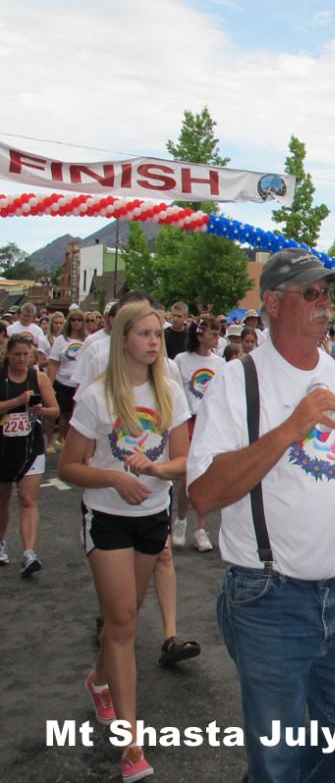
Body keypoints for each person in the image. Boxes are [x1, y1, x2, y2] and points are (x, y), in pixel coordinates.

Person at [187, 248, 335, 783]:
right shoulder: (238, 381)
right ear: (272, 302)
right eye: (311, 293)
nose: (326, 305)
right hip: (269, 594)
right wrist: (287, 430)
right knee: (276, 755)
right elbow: (203, 494)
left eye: (328, 293)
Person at [59, 302, 190, 782]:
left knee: (126, 618)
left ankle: (99, 681)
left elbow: (185, 460)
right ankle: (131, 745)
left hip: (152, 516)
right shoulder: (97, 396)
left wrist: (157, 470)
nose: (154, 342)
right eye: (144, 334)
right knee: (120, 621)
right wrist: (114, 480)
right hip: (108, 517)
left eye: (158, 334)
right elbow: (68, 467)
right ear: (122, 340)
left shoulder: (172, 392)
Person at [0, 334, 59, 574]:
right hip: (3, 447)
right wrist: (17, 401)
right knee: (3, 501)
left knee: (27, 499)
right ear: (8, 355)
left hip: (31, 446)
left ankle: (28, 552)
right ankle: (1, 543)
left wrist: (41, 410)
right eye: (17, 355)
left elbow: (55, 410)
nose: (22, 359)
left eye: (26, 355)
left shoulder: (39, 378)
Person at [171, 315, 226, 552]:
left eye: (218, 331)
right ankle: (181, 521)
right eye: (212, 331)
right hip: (187, 421)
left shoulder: (220, 363)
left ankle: (201, 529)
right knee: (186, 475)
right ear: (199, 334)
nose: (217, 336)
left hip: (209, 422)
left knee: (206, 475)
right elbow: (173, 391)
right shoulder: (181, 360)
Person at [47, 310, 87, 452]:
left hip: (78, 384)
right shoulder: (61, 340)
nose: (76, 322)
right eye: (73, 319)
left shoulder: (86, 340)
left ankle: (64, 440)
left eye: (79, 320)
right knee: (55, 413)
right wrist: (49, 385)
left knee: (71, 416)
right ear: (69, 322)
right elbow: (53, 363)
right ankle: (50, 442)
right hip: (61, 382)